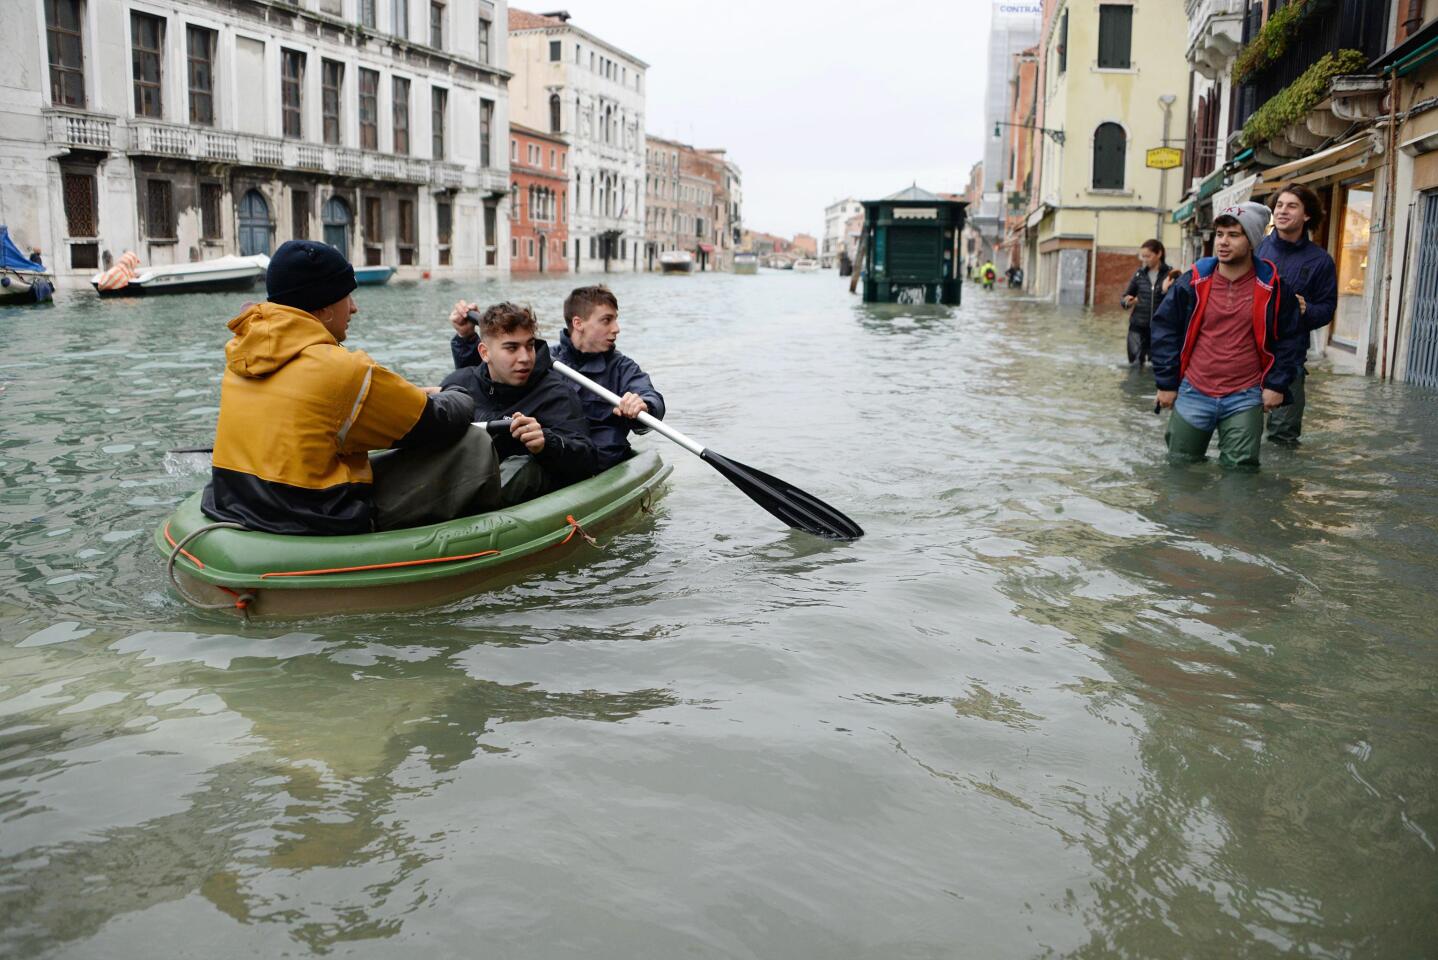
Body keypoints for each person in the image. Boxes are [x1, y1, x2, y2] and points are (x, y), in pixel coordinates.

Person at [203, 240, 497, 535]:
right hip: (317, 517)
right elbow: (437, 420)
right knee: (474, 443)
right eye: (348, 296)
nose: (354, 308)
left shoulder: (240, 353)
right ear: (325, 306)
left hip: (236, 503)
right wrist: (455, 391)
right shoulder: (344, 371)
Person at [1150, 202, 1305, 470]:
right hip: (1193, 391)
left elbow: (1292, 341)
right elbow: (1165, 331)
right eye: (1220, 234)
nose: (1223, 242)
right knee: (1180, 469)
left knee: (1241, 475)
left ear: (1253, 240)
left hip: (1245, 396)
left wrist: (1276, 385)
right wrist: (1166, 383)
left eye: (1234, 235)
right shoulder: (1193, 282)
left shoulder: (1274, 288)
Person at [452, 285, 665, 471]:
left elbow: (650, 397)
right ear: (578, 323)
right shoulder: (542, 359)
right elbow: (485, 381)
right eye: (606, 321)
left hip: (600, 461)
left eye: (615, 320)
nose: (616, 329)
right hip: (552, 456)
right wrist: (466, 338)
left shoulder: (623, 368)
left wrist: (643, 405)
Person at [441, 302, 597, 504]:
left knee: (522, 467)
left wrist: (546, 443)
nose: (525, 358)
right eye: (512, 348)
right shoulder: (459, 383)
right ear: (484, 353)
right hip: (470, 475)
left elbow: (588, 460)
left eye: (530, 345)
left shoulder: (556, 394)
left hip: (524, 482)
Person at [1257, 181, 1338, 445]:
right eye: (1279, 205)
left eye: (1292, 206)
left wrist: (1307, 309)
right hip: (1246, 357)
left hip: (1290, 361)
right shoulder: (1255, 249)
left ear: (1307, 214)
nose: (1282, 211)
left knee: (1283, 440)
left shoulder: (1320, 260)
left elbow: (1327, 309)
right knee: (1240, 432)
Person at [1120, 239, 1172, 367]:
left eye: (1147, 256)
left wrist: (1166, 290)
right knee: (1135, 365)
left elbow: (1178, 301)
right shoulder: (1139, 274)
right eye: (1142, 256)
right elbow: (1125, 297)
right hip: (1137, 327)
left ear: (1159, 254)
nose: (1144, 260)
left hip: (1160, 328)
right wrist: (1128, 301)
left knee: (1158, 366)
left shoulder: (1170, 274)